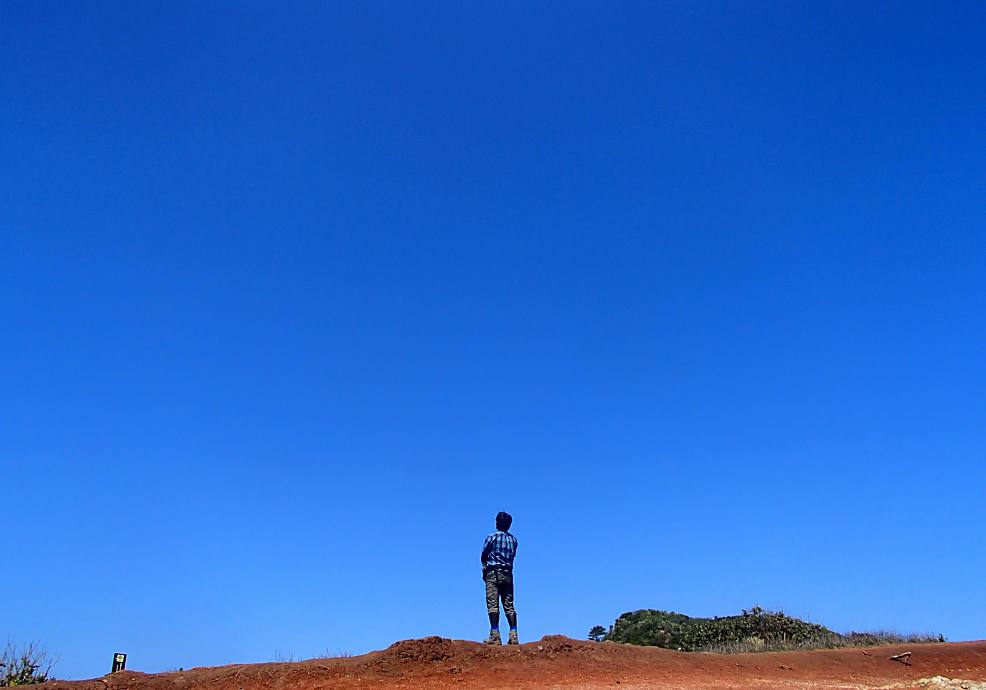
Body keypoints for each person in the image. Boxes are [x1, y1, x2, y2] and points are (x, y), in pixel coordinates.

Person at [481, 511, 518, 645]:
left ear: (497, 523)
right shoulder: (513, 540)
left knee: (493, 604)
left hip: (493, 573)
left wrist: (484, 569)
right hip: (508, 574)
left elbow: (484, 555)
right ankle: (514, 635)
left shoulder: (492, 537)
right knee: (509, 605)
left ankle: (495, 635)